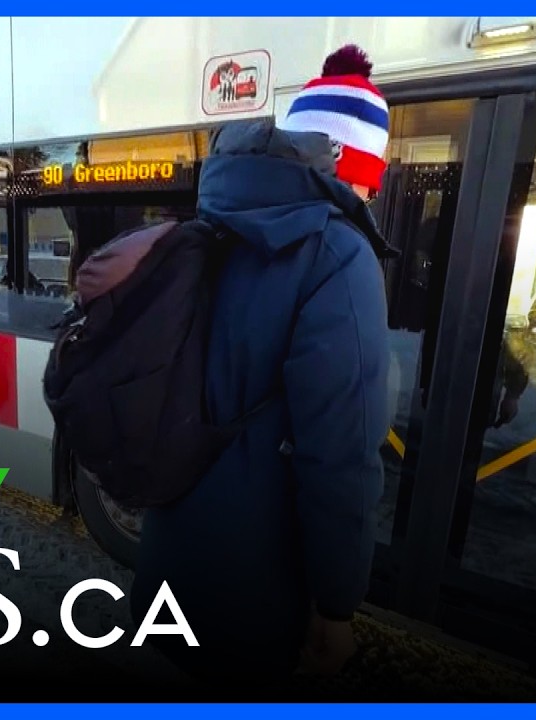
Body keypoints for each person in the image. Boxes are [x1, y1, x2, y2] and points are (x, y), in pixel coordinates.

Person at [129, 44, 393, 690]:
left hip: (168, 565)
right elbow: (338, 455)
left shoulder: (206, 227)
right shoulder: (337, 255)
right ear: (355, 171)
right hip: (257, 598)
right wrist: (336, 607)